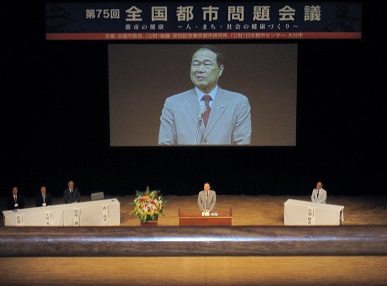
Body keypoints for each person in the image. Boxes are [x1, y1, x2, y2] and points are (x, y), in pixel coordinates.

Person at [158, 45, 252, 145]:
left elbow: (242, 143)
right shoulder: (173, 103)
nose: (200, 70)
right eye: (196, 64)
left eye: (207, 64)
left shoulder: (238, 102)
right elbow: (165, 143)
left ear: (220, 70)